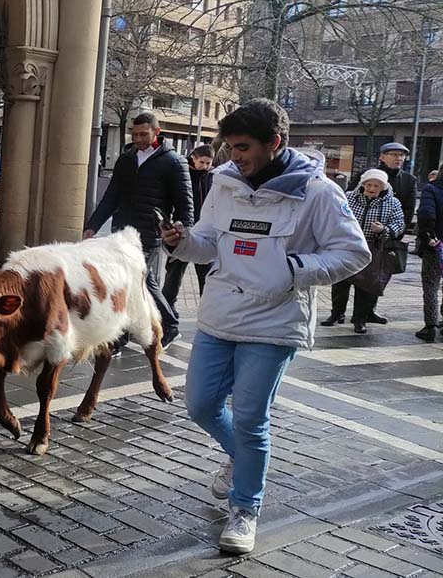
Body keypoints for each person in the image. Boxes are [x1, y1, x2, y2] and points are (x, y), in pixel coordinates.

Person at [162, 99, 369, 555]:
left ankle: (245, 508)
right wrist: (183, 242)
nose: (233, 156)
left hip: (275, 322)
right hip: (220, 315)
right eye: (229, 147)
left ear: (275, 143)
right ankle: (242, 460)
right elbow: (209, 244)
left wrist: (293, 268)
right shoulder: (223, 183)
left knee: (253, 418)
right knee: (200, 404)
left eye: (242, 147)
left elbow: (354, 254)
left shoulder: (319, 192)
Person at [84, 112, 193, 348]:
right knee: (129, 282)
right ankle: (126, 334)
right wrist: (92, 225)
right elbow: (111, 196)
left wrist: (183, 235)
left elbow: (185, 203)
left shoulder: (174, 162)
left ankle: (167, 326)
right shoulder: (126, 159)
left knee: (141, 282)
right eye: (134, 134)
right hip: (121, 231)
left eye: (143, 134)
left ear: (157, 132)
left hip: (149, 232)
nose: (138, 139)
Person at [321, 170, 405, 333]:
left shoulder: (392, 202)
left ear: (383, 187)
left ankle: (360, 319)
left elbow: (399, 223)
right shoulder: (349, 196)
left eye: (376, 185)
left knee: (366, 284)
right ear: (363, 184)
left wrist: (384, 229)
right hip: (346, 245)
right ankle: (336, 314)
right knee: (340, 282)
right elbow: (334, 214)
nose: (372, 188)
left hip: (371, 248)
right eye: (369, 184)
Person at [347, 142, 416, 323]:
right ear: (382, 156)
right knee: (347, 277)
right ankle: (339, 312)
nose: (398, 158)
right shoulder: (366, 175)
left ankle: (368, 311)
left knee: (376, 276)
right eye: (394, 154)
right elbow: (351, 196)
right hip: (357, 237)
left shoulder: (409, 180)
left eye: (401, 156)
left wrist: (392, 233)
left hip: (385, 237)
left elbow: (407, 211)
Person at [162, 144, 215, 310]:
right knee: (173, 279)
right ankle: (167, 318)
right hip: (182, 232)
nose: (205, 166)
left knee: (207, 280)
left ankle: (208, 312)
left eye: (208, 163)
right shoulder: (182, 173)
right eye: (202, 162)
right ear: (193, 157)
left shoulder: (212, 177)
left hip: (204, 233)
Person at [417, 170, 443, 341]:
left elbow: (426, 214)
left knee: (431, 285)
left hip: (437, 245)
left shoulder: (431, 189)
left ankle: (431, 325)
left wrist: (429, 236)